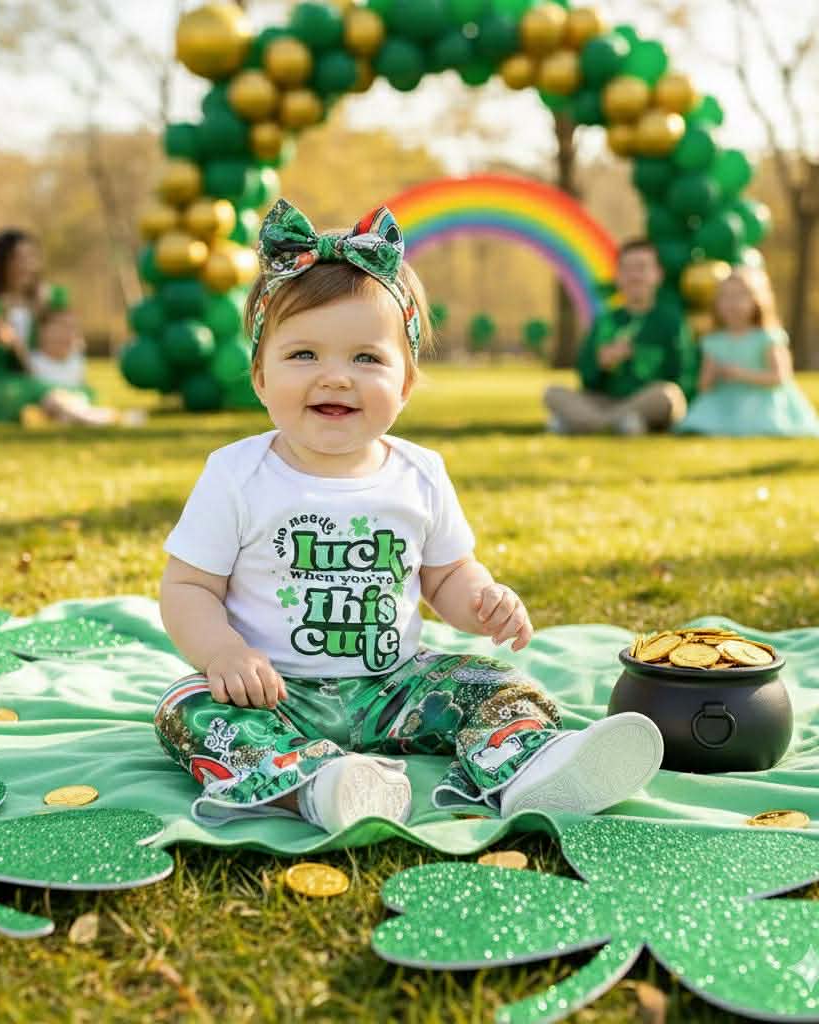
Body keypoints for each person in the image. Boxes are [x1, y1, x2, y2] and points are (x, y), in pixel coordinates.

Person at [154, 199, 664, 833]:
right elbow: (188, 587)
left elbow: (446, 576)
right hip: (274, 692)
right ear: (259, 377)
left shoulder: (419, 473)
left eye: (366, 359)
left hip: (396, 689)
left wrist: (482, 600)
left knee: (495, 682)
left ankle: (529, 767)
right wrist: (223, 652)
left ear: (406, 385)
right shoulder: (237, 474)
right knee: (187, 707)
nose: (335, 378)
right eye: (304, 355)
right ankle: (316, 786)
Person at [0, 228, 131, 427]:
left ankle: (63, 415)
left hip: (31, 379)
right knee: (43, 394)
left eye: (31, 257)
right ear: (0, 262)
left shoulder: (43, 299)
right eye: (18, 258)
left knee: (68, 393)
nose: (27, 265)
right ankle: (93, 419)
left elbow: (62, 343)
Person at [543, 239, 697, 435]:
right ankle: (617, 423)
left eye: (641, 268)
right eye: (627, 269)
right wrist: (601, 364)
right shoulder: (605, 321)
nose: (634, 276)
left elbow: (684, 377)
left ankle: (585, 424)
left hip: (648, 402)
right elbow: (587, 380)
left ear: (658, 274)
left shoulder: (671, 321)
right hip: (606, 401)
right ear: (618, 276)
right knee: (552, 393)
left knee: (666, 394)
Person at [676, 266, 819, 438]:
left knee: (761, 425)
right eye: (725, 297)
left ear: (757, 300)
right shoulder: (714, 341)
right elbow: (704, 385)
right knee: (700, 424)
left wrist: (740, 374)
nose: (732, 304)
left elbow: (780, 377)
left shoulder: (767, 337)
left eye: (739, 296)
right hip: (725, 402)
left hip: (761, 402)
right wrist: (712, 375)